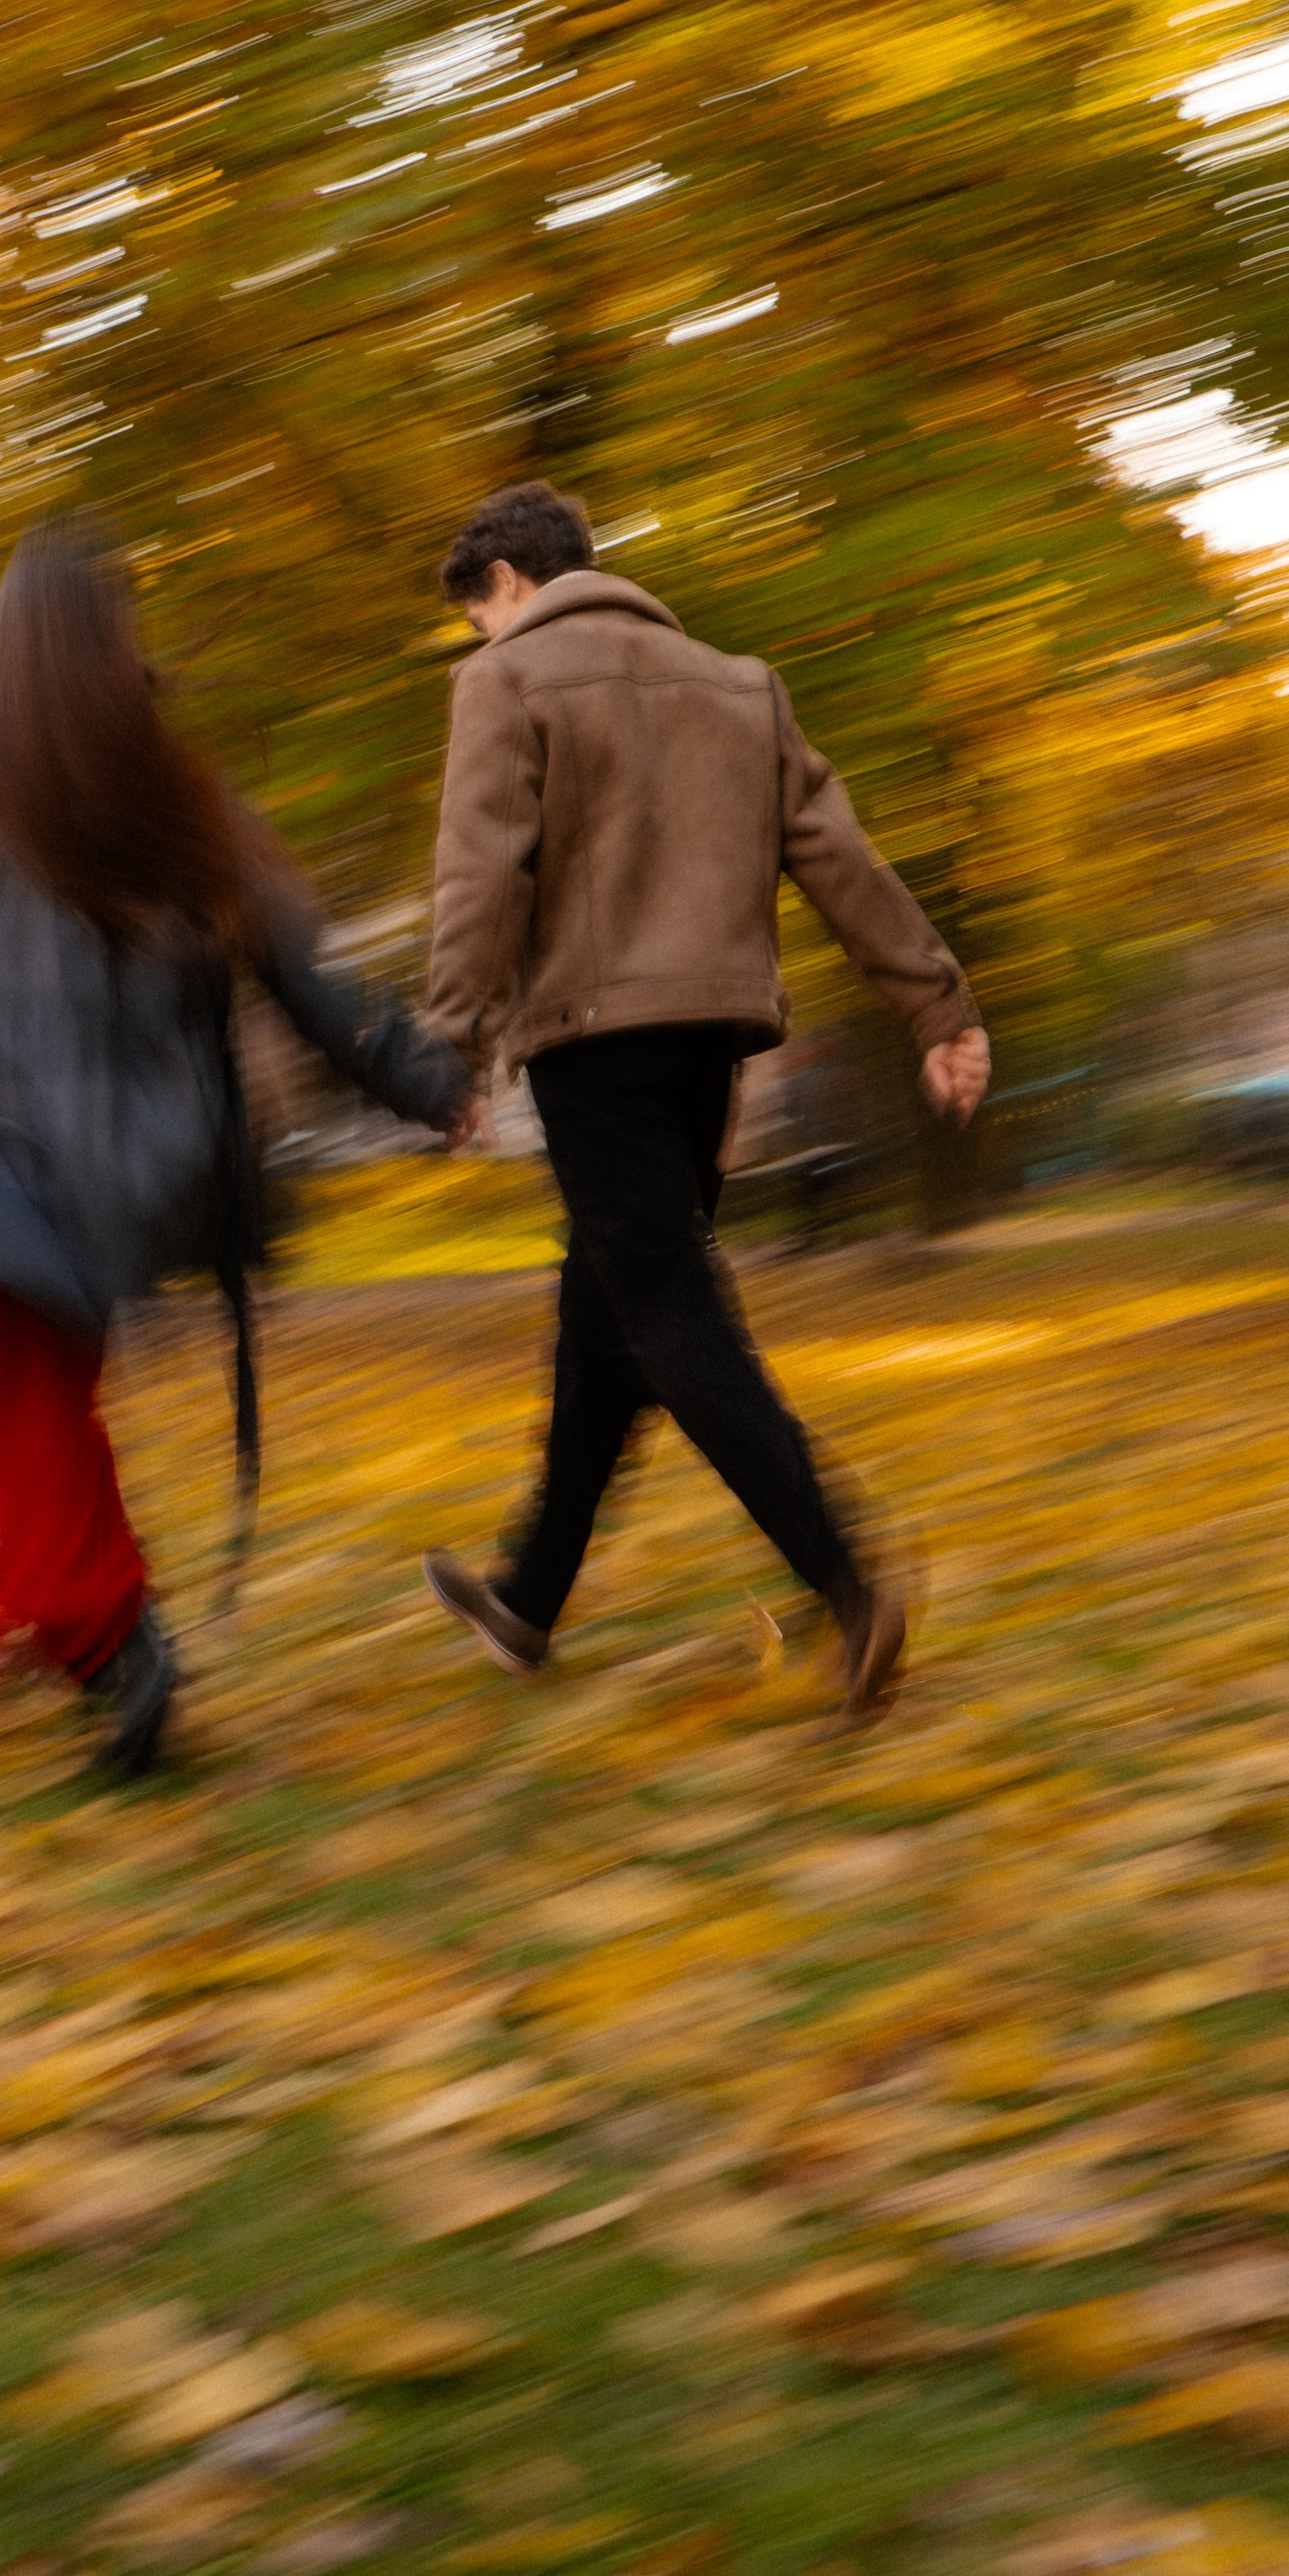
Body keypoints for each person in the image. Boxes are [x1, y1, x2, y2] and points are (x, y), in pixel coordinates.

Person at [0, 515, 469, 1775]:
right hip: (139, 1174)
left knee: (30, 1401)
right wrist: (423, 1084)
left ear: (8, 653)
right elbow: (309, 975)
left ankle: (112, 1642)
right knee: (10, 1393)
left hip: (1, 1170)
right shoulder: (175, 792)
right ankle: (17, 1617)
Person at [419, 481, 990, 1728]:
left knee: (667, 1305)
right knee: (610, 1305)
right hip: (713, 1039)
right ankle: (530, 1596)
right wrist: (940, 1010)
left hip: (590, 1037)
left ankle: (850, 1579)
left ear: (508, 583)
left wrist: (450, 1050)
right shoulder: (741, 684)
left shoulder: (507, 681)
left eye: (478, 618)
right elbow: (842, 856)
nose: (481, 642)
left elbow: (479, 877)